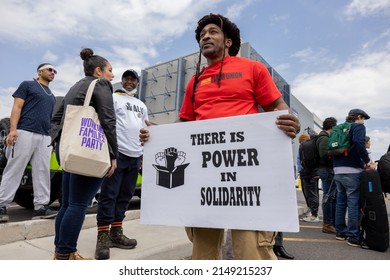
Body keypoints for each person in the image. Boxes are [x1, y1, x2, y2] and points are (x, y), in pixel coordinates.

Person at [140, 13, 301, 260]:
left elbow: (276, 107)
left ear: (228, 41)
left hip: (246, 173)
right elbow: (185, 121)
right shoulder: (195, 80)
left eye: (213, 31)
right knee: (202, 252)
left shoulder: (253, 69)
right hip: (204, 175)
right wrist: (160, 136)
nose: (206, 36)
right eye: (203, 34)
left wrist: (291, 122)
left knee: (251, 250)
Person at [50, 48, 118, 260]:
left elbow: (58, 117)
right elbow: (108, 119)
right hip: (87, 151)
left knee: (68, 204)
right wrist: (113, 154)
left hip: (68, 148)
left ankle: (60, 250)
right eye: (110, 70)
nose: (112, 75)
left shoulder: (75, 86)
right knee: (79, 204)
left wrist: (58, 142)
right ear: (98, 71)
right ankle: (66, 253)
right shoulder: (101, 84)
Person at [94, 69, 148, 260]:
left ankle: (116, 233)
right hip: (118, 154)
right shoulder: (113, 98)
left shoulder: (141, 105)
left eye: (133, 79)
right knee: (109, 194)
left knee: (125, 195)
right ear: (122, 81)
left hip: (135, 155)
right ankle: (102, 237)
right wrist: (109, 152)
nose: (129, 82)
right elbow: (106, 122)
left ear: (137, 83)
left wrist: (143, 154)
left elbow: (145, 128)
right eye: (126, 79)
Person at [0, 63, 58, 223]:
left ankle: (40, 207)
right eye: (50, 69)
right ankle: (1, 205)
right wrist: (12, 129)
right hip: (25, 131)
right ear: (40, 71)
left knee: (42, 172)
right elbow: (17, 107)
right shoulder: (28, 85)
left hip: (44, 137)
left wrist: (50, 139)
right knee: (15, 168)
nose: (53, 72)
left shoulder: (51, 96)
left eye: (55, 71)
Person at [333, 109, 373, 247]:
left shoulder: (339, 128)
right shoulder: (358, 127)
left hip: (337, 170)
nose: (363, 121)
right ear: (358, 117)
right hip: (352, 170)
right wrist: (366, 160)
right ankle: (353, 236)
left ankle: (340, 232)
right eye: (363, 118)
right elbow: (357, 142)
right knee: (353, 203)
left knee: (340, 202)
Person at [317, 117, 337, 234]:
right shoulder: (324, 138)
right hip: (326, 170)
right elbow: (324, 154)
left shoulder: (323, 137)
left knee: (329, 196)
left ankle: (329, 222)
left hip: (326, 170)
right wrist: (337, 151)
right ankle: (327, 223)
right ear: (332, 127)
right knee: (328, 197)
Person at [299, 134, 320, 223]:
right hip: (314, 172)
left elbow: (300, 161)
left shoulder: (303, 146)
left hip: (306, 172)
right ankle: (314, 213)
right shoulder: (314, 144)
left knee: (311, 194)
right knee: (314, 193)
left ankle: (314, 214)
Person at [297, 133, 311, 216]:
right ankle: (311, 208)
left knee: (307, 191)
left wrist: (300, 170)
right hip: (307, 171)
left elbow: (298, 160)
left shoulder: (302, 147)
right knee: (309, 192)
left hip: (304, 171)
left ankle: (311, 209)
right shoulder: (307, 146)